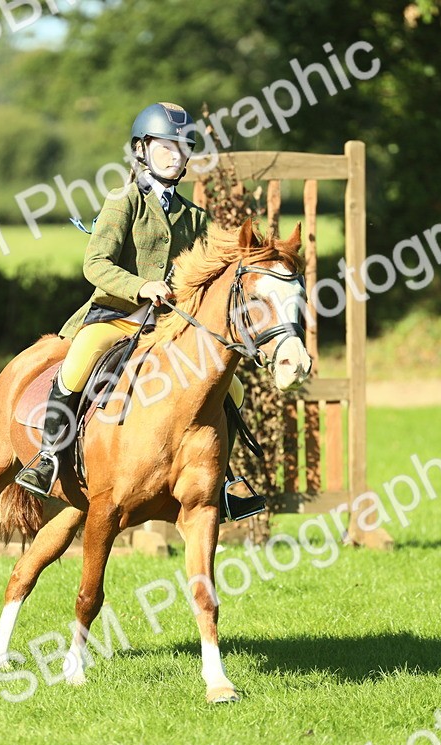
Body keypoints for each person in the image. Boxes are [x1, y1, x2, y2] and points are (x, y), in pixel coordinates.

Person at [14, 101, 266, 521]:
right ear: (142, 150)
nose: (174, 155)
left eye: (182, 147)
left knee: (232, 388)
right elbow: (95, 265)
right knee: (77, 363)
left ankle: (224, 479)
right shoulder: (123, 201)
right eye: (165, 146)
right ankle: (48, 456)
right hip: (113, 318)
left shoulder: (196, 217)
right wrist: (140, 286)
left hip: (166, 329)